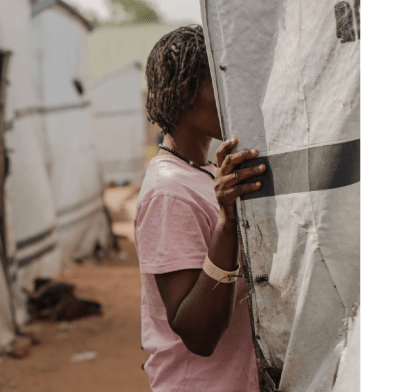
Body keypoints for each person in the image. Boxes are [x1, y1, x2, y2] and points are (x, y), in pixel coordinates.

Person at [135, 25, 267, 391]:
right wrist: (226, 223)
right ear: (184, 96)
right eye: (218, 85)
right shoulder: (168, 192)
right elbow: (198, 335)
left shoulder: (206, 172)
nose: (231, 96)